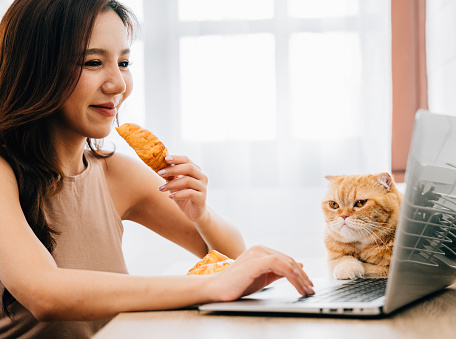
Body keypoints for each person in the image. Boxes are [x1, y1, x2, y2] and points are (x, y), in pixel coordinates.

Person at [0, 0, 314, 337]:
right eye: (93, 62)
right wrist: (210, 286)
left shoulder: (114, 173)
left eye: (123, 62)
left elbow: (235, 261)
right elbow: (44, 293)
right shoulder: (5, 172)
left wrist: (202, 214)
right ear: (35, 68)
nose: (118, 84)